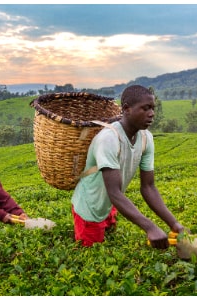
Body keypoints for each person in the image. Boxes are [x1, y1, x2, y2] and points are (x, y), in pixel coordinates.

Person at [71, 85, 186, 248]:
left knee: (110, 242)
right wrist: (150, 227)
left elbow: (149, 187)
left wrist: (174, 224)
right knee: (92, 253)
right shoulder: (109, 139)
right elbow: (114, 192)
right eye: (145, 108)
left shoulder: (146, 138)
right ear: (126, 109)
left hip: (109, 205)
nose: (152, 114)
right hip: (90, 207)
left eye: (153, 108)